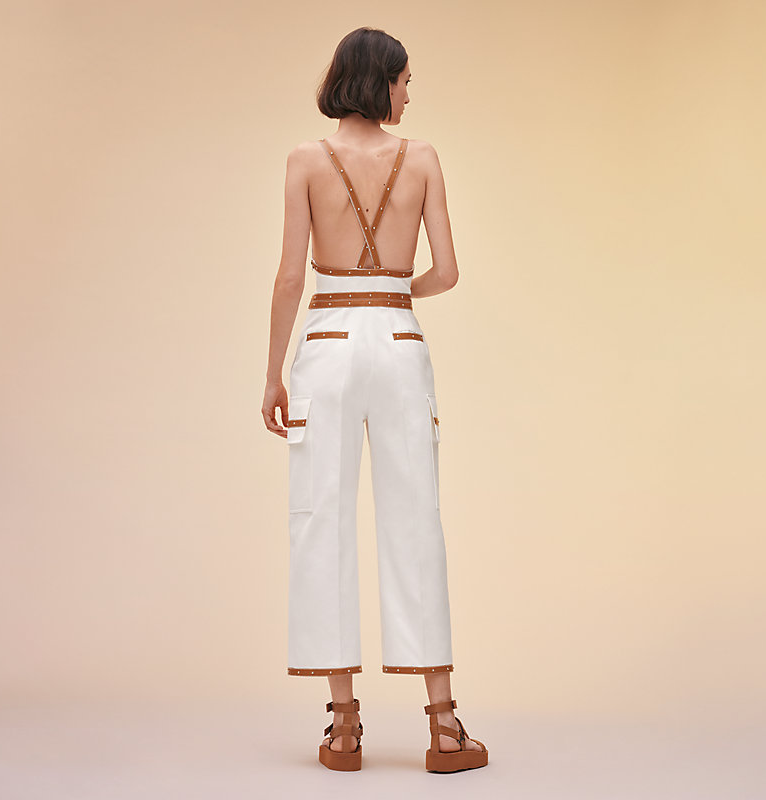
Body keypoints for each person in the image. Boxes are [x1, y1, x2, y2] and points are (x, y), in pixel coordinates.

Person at [261, 26, 488, 773]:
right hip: (397, 342)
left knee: (319, 518)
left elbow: (289, 277)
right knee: (415, 516)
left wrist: (273, 374)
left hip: (326, 344)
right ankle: (444, 727)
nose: (409, 94)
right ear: (379, 81)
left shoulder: (304, 160)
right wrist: (393, 291)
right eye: (404, 80)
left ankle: (343, 728)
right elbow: (446, 271)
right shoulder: (421, 158)